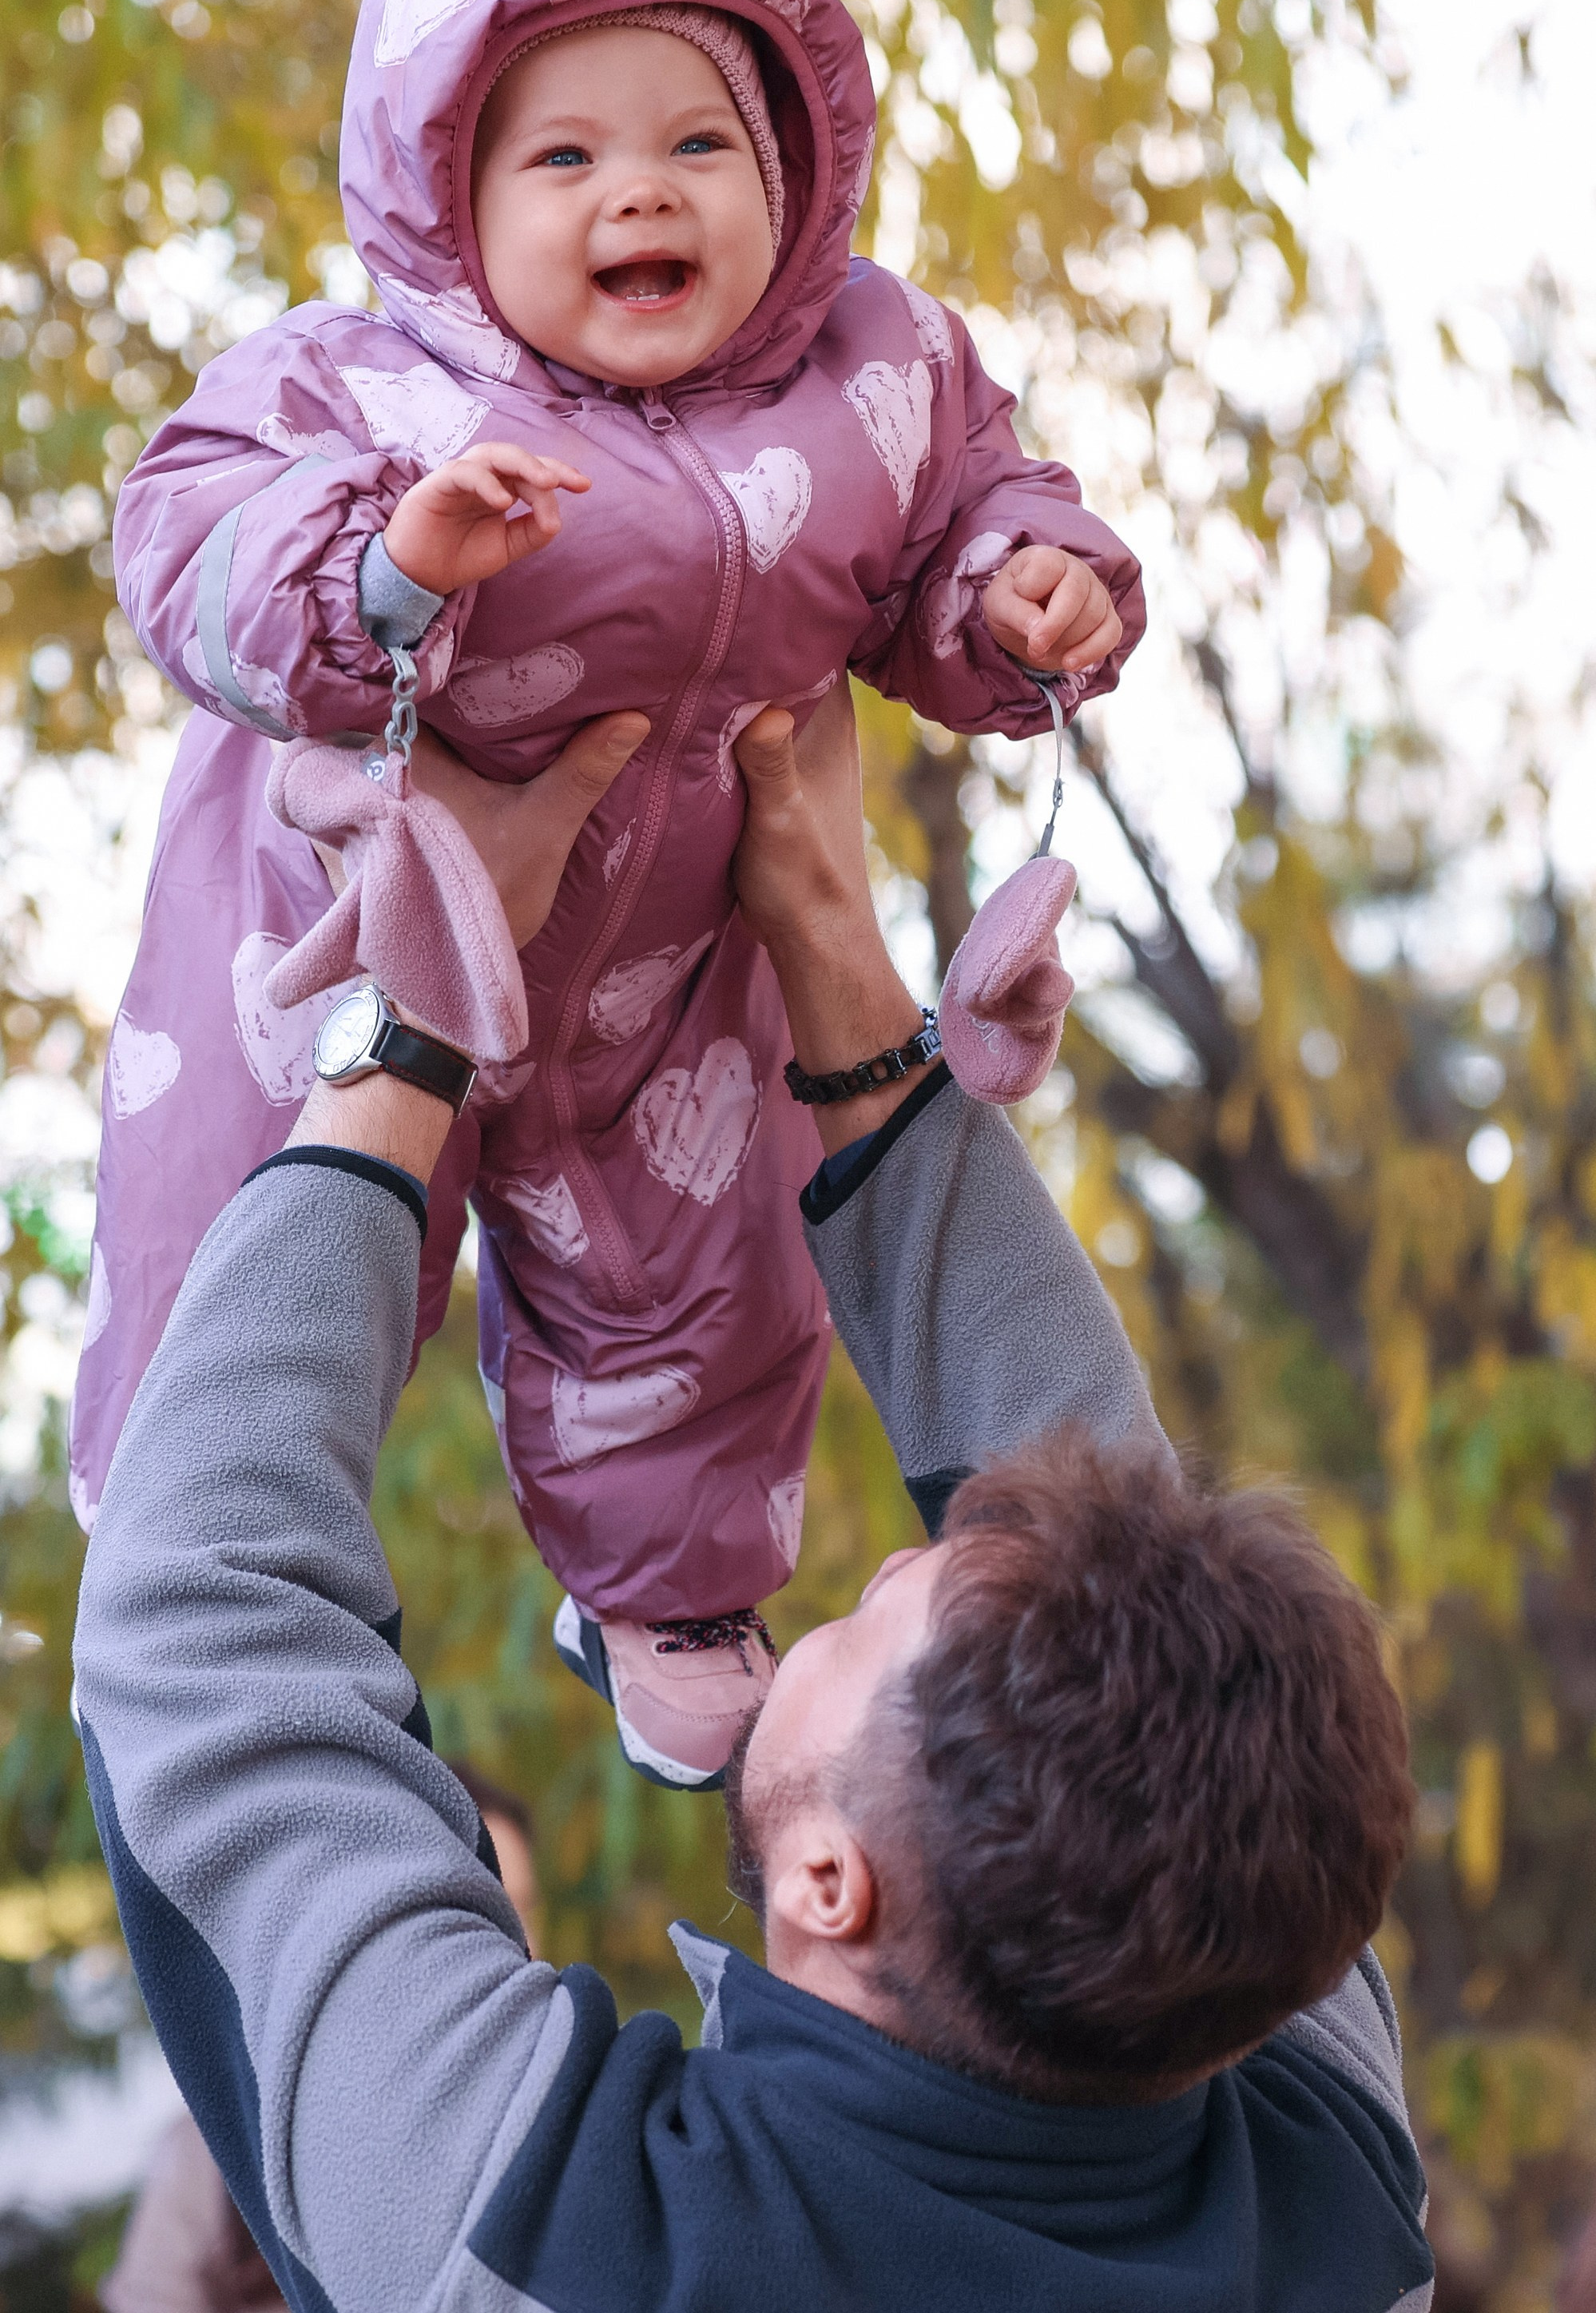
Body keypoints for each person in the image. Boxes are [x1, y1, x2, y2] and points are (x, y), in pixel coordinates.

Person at [73, 697, 1434, 2311]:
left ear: (833, 1883)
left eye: (867, 1620)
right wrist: (838, 958)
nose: (854, 1580)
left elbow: (206, 1615)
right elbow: (1128, 1568)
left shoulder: (564, 2248)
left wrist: (418, 1015)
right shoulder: (1320, 2197)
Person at [76, 0, 1147, 1790]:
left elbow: (969, 510)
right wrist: (386, 563)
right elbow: (182, 534)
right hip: (346, 913)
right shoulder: (364, 382)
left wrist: (1020, 592)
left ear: (793, 177)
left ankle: (665, 1583)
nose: (635, 192)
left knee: (700, 1262)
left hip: (673, 958)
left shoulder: (871, 369)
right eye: (563, 156)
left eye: (696, 145)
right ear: (448, 194)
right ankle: (177, 1510)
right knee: (256, 1214)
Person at [99, 1771, 540, 2313]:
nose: (521, 1945)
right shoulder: (224, 2151)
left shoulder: (566, 2114)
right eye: (485, 1913)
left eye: (528, 1908)